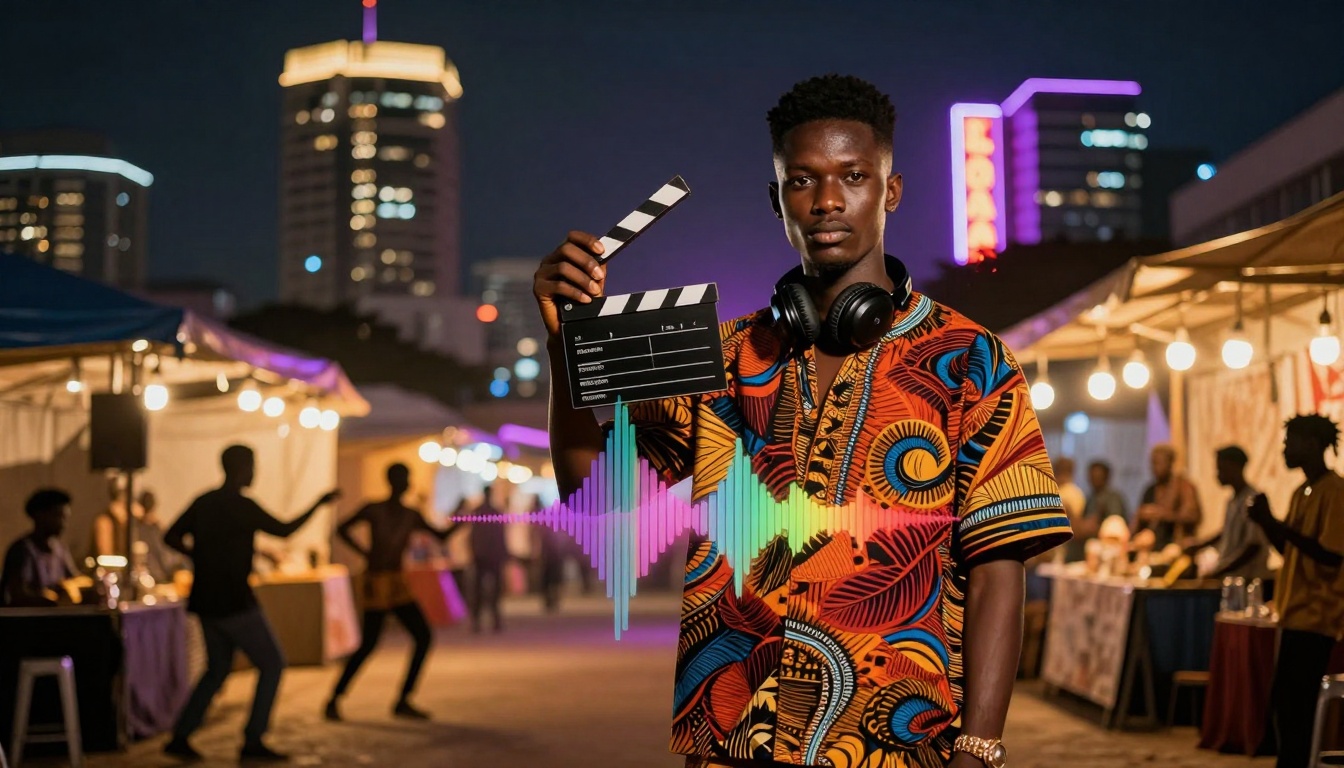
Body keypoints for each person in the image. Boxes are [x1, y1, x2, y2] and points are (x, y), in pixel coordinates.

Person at [534, 75, 1072, 768]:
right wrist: (562, 347)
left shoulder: (970, 359)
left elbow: (999, 563)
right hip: (731, 741)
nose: (826, 201)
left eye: (853, 176)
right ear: (776, 199)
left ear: (892, 191)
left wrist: (978, 747)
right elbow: (591, 498)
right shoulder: (720, 356)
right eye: (801, 181)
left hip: (896, 745)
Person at [163, 445, 340, 762]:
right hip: (234, 599)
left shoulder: (204, 502)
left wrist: (200, 557)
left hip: (205, 598)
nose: (255, 473)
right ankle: (253, 739)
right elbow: (285, 530)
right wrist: (318, 503)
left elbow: (171, 536)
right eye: (252, 466)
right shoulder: (242, 506)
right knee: (272, 663)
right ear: (241, 468)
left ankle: (181, 735)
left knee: (216, 670)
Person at [325, 463, 457, 722]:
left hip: (396, 582)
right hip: (378, 581)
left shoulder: (408, 513)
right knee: (371, 643)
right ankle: (336, 697)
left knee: (421, 636)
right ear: (395, 481)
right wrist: (364, 552)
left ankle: (401, 699)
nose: (405, 483)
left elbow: (440, 536)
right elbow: (341, 529)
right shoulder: (378, 509)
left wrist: (463, 514)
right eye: (403, 478)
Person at [1248, 415, 1344, 768]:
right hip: (1295, 614)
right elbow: (1289, 550)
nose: (1285, 449)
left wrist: (1275, 524)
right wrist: (1266, 522)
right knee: (1284, 704)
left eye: (1291, 441)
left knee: (1296, 704)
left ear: (1312, 444)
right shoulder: (1302, 491)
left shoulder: (1335, 492)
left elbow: (1331, 555)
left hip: (1319, 615)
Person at [1184, 446, 1270, 580]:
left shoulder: (1253, 500)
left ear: (1234, 467)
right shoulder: (1233, 501)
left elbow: (1253, 546)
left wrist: (1219, 571)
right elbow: (1227, 532)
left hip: (1248, 579)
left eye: (1220, 469)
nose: (1217, 474)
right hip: (1232, 578)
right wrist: (1199, 545)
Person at [1, 489, 78, 607]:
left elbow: (74, 579)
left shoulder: (60, 549)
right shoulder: (22, 550)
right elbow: (18, 595)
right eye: (58, 516)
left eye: (65, 518)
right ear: (40, 515)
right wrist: (52, 602)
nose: (63, 524)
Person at [1134, 444, 1202, 550]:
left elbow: (1192, 516)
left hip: (1175, 547)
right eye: (1152, 463)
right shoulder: (1150, 489)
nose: (1154, 468)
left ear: (1170, 463)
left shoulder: (1183, 486)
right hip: (1152, 548)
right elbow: (1138, 519)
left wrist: (1163, 514)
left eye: (1159, 463)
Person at [465, 483, 510, 634]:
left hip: (481, 555)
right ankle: (493, 620)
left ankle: (478, 621)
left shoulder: (478, 512)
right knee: (493, 590)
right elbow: (500, 535)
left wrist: (473, 551)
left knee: (479, 589)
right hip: (491, 555)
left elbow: (473, 535)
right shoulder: (495, 512)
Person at [1065, 461, 1127, 561]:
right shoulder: (1091, 498)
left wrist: (1094, 526)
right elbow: (1084, 520)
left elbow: (1114, 523)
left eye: (1098, 476)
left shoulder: (1113, 497)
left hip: (1107, 545)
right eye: (1092, 476)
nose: (1094, 479)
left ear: (1106, 477)